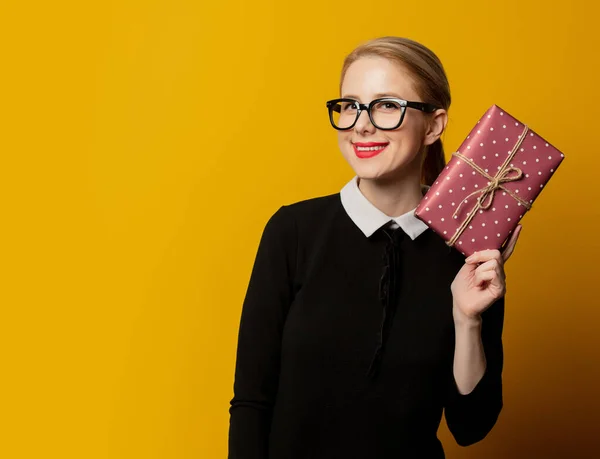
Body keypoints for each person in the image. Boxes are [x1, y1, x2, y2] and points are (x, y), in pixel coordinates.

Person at [228, 36, 521, 459]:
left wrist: (466, 319)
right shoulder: (292, 231)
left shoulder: (468, 247)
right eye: (350, 106)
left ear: (434, 125)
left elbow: (471, 426)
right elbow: (251, 402)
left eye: (387, 105)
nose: (361, 124)